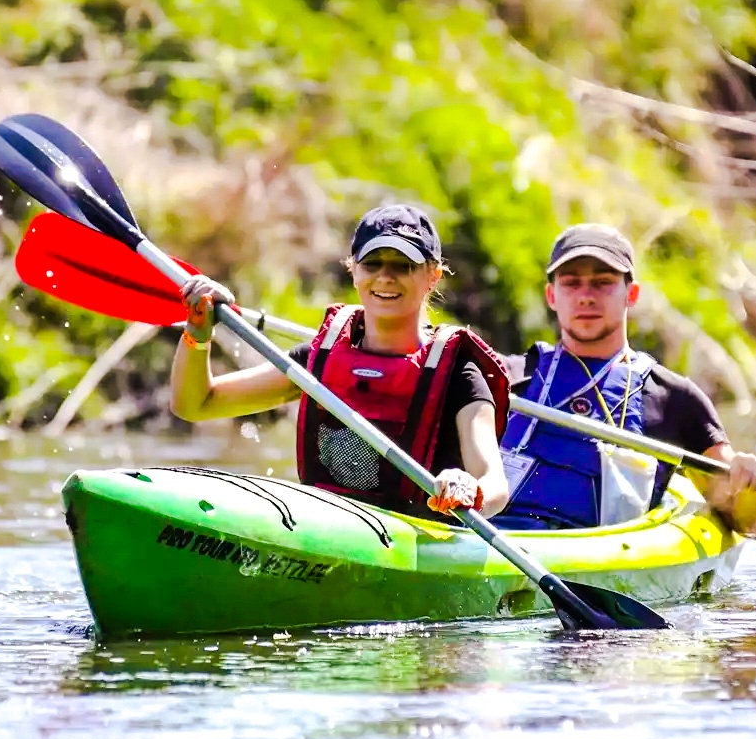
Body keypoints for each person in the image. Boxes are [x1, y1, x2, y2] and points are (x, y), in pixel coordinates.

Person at [171, 205, 511, 521]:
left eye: (403, 265)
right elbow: (196, 404)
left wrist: (470, 488)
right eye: (372, 264)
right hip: (327, 525)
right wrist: (197, 333)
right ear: (353, 270)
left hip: (421, 541)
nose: (385, 277)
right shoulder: (318, 361)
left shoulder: (458, 374)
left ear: (433, 276)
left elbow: (495, 484)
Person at [494, 223, 756, 536]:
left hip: (596, 564)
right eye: (572, 283)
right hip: (493, 540)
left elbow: (749, 522)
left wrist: (753, 486)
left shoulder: (674, 399)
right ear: (551, 295)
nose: (586, 297)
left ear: (632, 294)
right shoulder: (503, 377)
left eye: (602, 283)